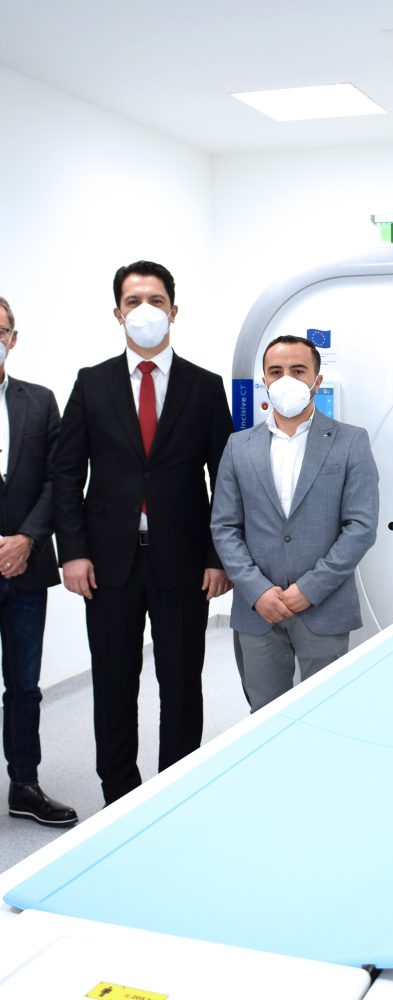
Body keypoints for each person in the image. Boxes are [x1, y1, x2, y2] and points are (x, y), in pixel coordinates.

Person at [53, 261, 232, 805]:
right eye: (134, 301)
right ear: (117, 313)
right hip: (108, 565)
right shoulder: (92, 383)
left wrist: (217, 556)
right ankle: (120, 798)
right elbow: (66, 474)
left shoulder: (205, 387)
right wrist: (72, 552)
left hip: (184, 564)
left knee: (181, 685)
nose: (145, 310)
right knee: (113, 686)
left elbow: (225, 480)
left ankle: (176, 796)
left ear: (174, 311)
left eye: (156, 300)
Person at [211, 334, 379, 711]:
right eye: (276, 371)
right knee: (265, 714)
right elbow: (224, 526)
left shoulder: (351, 442)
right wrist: (257, 590)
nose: (286, 379)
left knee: (327, 712)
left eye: (298, 370)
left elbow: (361, 527)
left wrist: (309, 589)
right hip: (258, 609)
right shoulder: (238, 446)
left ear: (317, 381)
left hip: (324, 606)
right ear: (265, 382)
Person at [0, 297, 77, 826]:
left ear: (13, 337)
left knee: (24, 686)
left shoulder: (40, 401)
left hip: (26, 570)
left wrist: (26, 539)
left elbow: (59, 479)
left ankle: (24, 784)